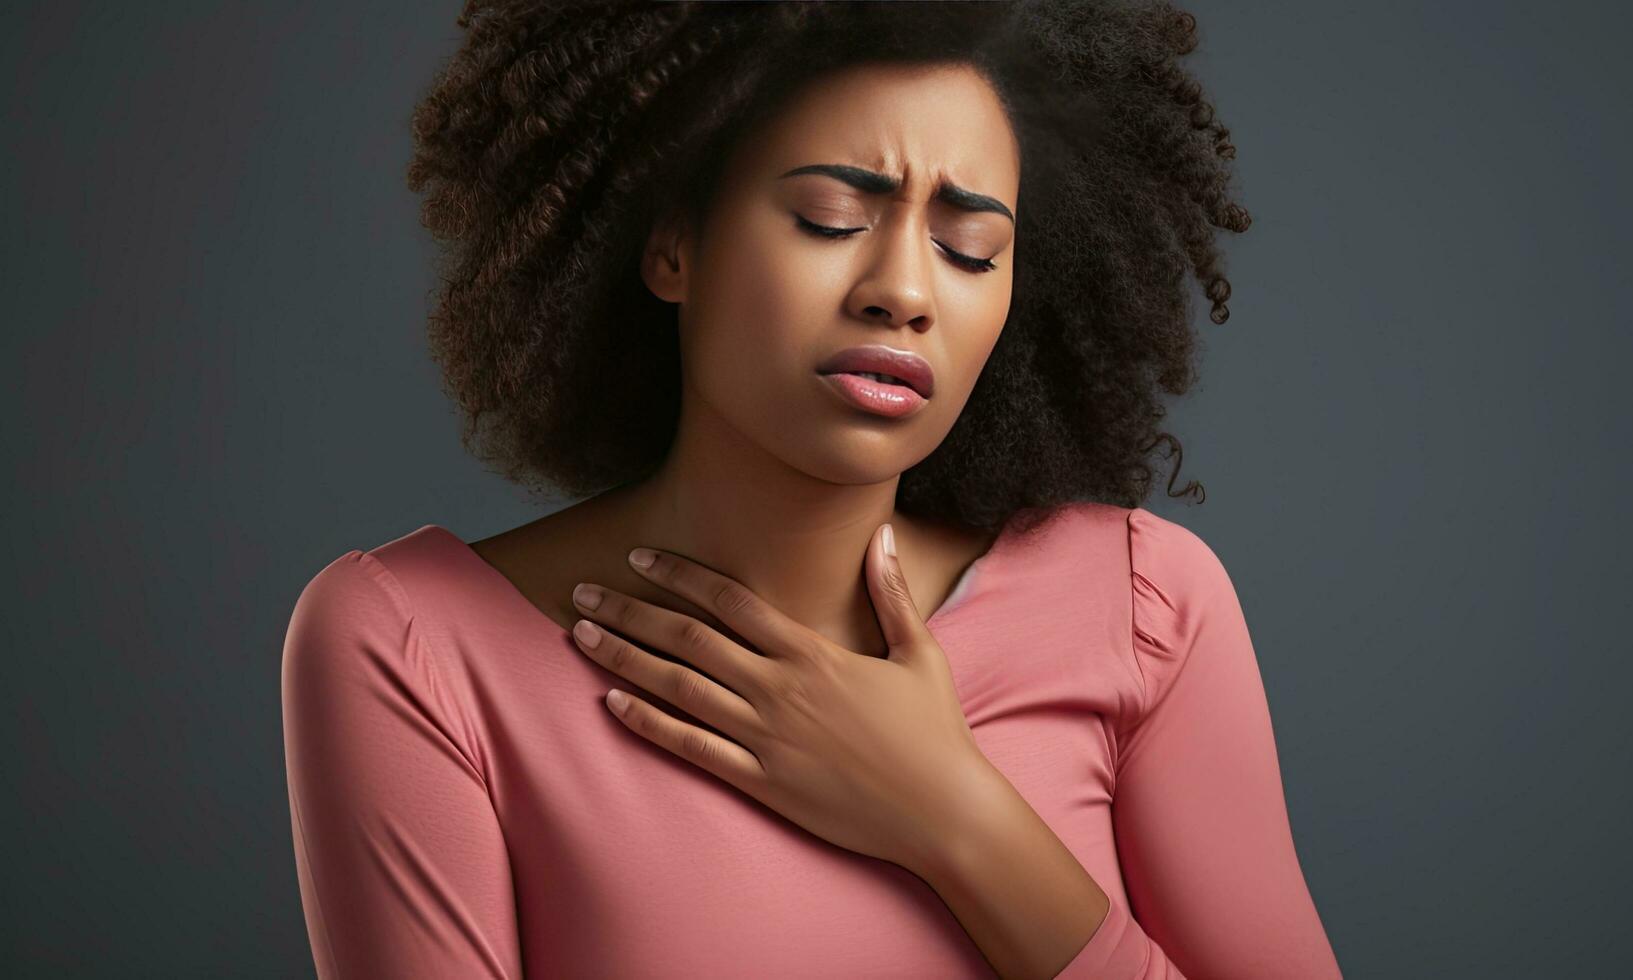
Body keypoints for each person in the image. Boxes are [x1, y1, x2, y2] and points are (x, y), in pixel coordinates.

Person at [280, 1, 1340, 976]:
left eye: (970, 249)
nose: (903, 292)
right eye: (833, 216)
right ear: (670, 242)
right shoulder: (418, 648)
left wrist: (954, 814)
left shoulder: (1142, 603)